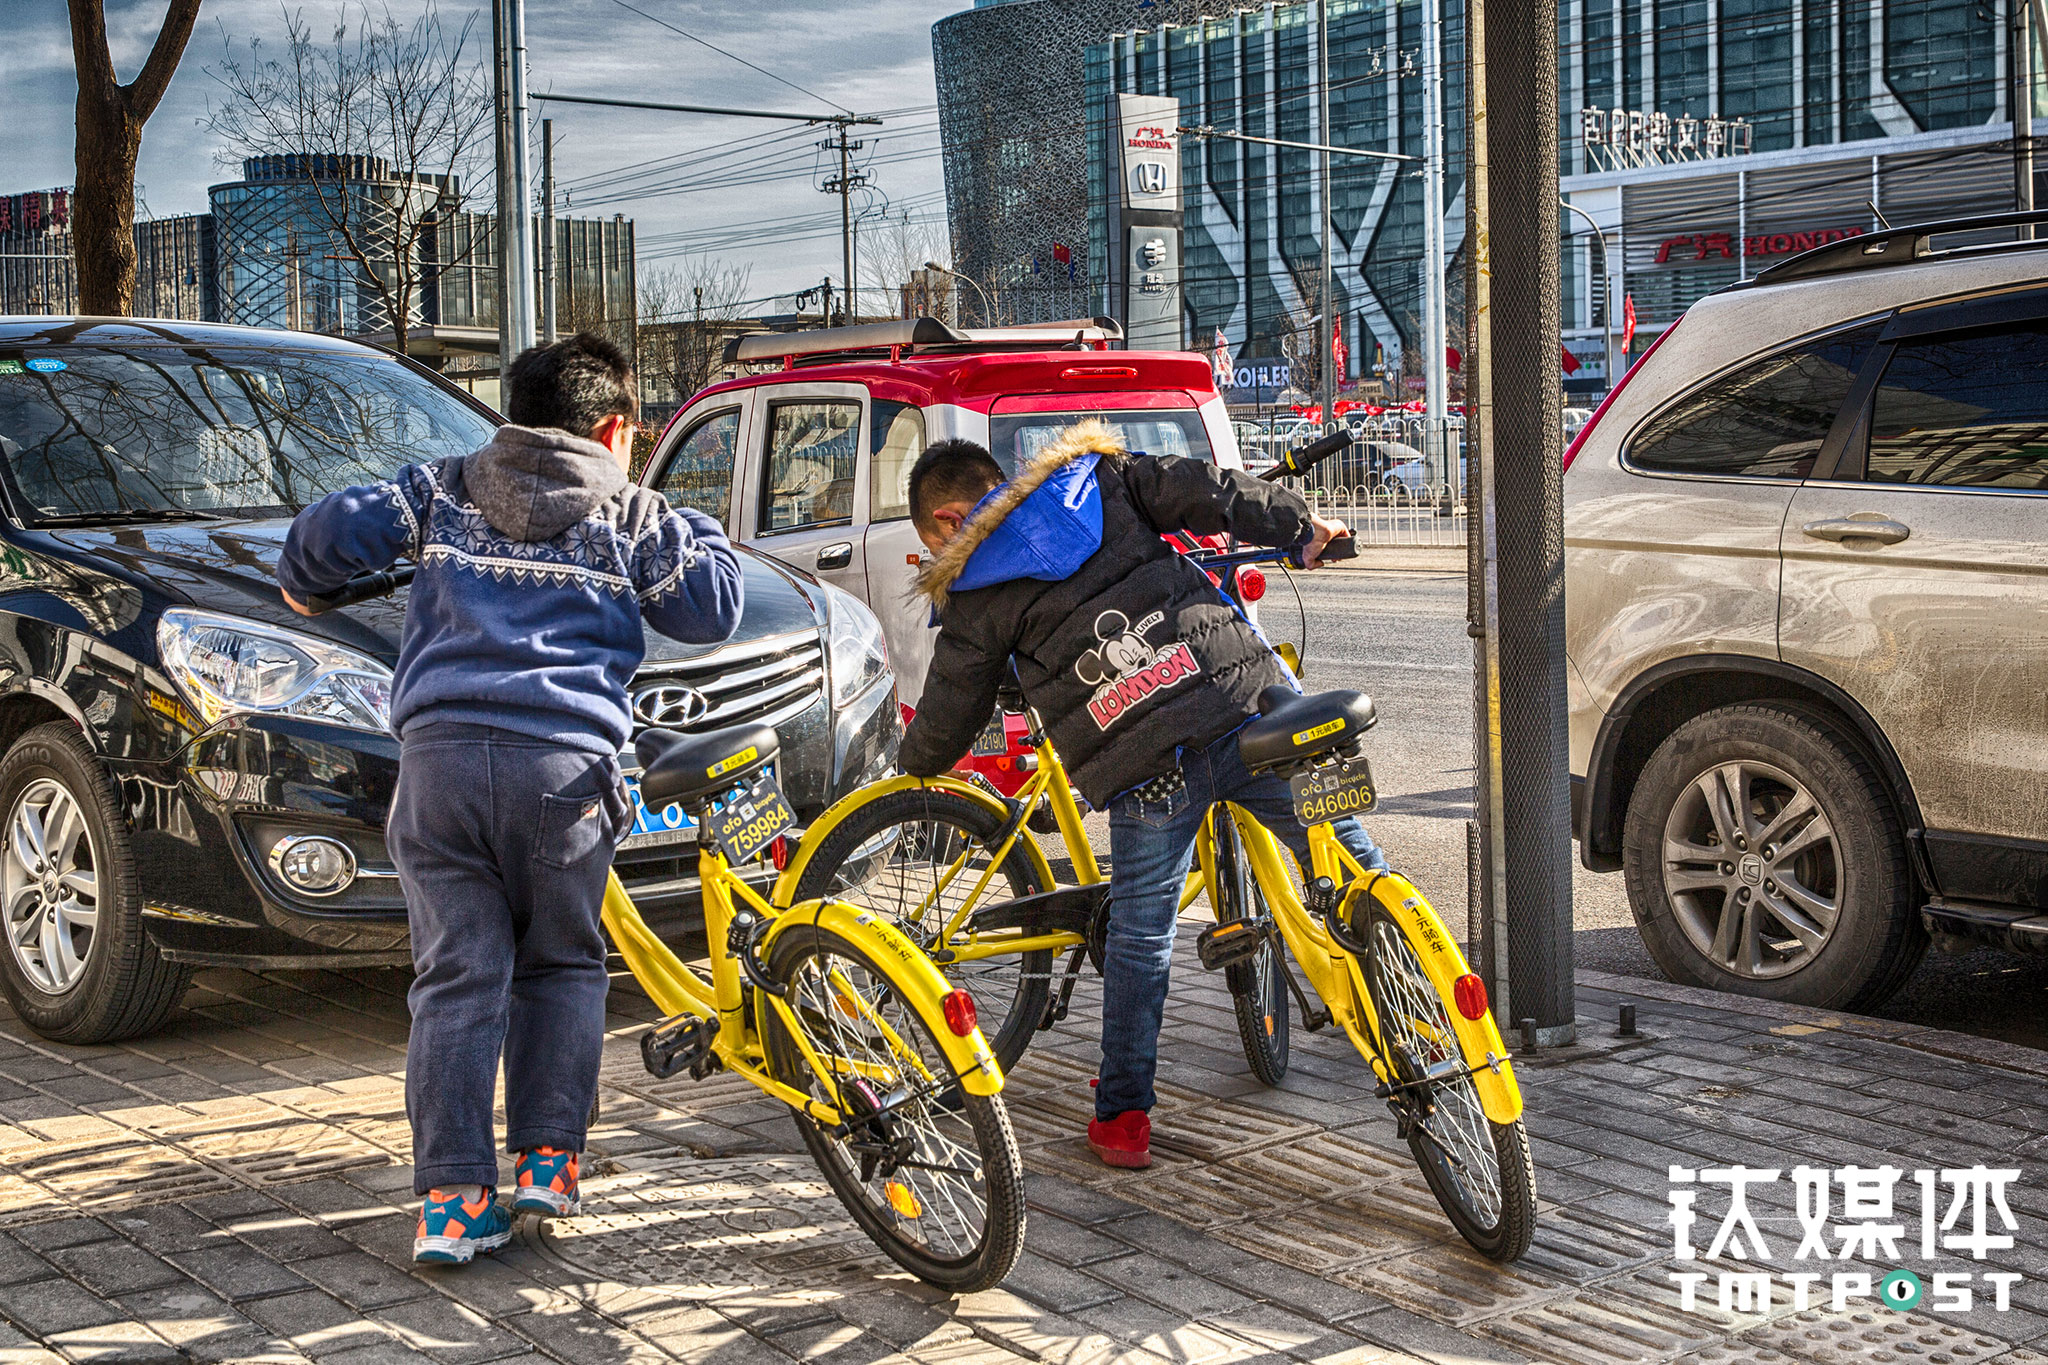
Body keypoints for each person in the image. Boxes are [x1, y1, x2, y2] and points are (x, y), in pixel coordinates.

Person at [277, 333, 744, 1264]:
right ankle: (546, 1162)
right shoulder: (629, 510)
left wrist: (305, 587)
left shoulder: (439, 486)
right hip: (563, 780)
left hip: (440, 769)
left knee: (456, 976)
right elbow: (713, 605)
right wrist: (691, 522)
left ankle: (449, 1205)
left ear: (510, 414)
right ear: (616, 427)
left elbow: (315, 548)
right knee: (562, 965)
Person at [897, 420, 1388, 1170]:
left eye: (935, 547)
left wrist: (912, 765)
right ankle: (1416, 1003)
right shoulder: (1097, 479)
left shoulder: (974, 590)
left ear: (947, 521)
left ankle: (1124, 1116)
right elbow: (1211, 492)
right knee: (1350, 857)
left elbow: (949, 715)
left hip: (1145, 762)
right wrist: (1302, 527)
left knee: (1140, 938)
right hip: (1241, 700)